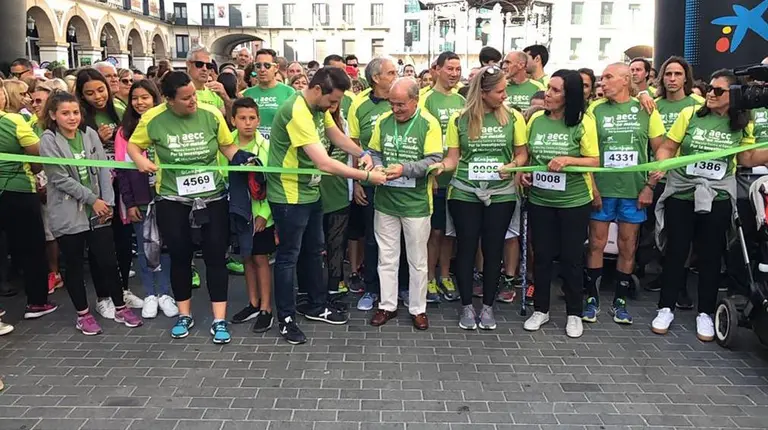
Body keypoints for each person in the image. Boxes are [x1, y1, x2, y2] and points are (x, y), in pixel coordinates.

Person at [266, 67, 386, 345]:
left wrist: (363, 153)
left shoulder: (318, 109)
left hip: (310, 191)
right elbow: (324, 161)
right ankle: (285, 318)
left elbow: (336, 137)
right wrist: (367, 176)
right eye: (332, 101)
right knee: (288, 257)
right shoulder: (297, 110)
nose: (334, 107)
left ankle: (316, 305)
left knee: (313, 250)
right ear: (318, 89)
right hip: (288, 195)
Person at [128, 71, 244, 344]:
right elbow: (134, 146)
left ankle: (219, 319)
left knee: (216, 257)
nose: (193, 101)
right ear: (168, 100)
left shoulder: (211, 114)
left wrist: (242, 158)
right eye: (185, 98)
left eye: (193, 95)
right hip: (173, 199)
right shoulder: (153, 118)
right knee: (180, 257)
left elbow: (227, 146)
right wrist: (140, 161)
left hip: (212, 197)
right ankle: (184, 315)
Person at [651, 69, 768, 341]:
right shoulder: (690, 114)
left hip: (718, 196)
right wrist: (661, 162)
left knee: (711, 255)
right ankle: (665, 307)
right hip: (682, 192)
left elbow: (747, 158)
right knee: (676, 251)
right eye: (710, 89)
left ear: (734, 96)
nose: (710, 95)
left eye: (718, 91)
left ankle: (705, 312)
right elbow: (668, 146)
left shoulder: (742, 123)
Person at [40, 91, 140, 335]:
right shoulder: (49, 139)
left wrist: (108, 202)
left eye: (75, 112)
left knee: (108, 259)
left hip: (98, 210)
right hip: (68, 211)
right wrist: (92, 199)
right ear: (53, 115)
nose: (72, 117)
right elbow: (59, 177)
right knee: (73, 264)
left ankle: (119, 306)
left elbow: (103, 170)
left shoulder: (90, 134)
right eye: (65, 113)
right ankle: (82, 314)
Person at [435, 65, 528, 329]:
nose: (504, 96)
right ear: (483, 93)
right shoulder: (459, 119)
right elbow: (453, 158)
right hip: (465, 191)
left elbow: (521, 154)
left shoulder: (513, 117)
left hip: (501, 193)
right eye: (499, 91)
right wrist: (439, 168)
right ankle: (466, 307)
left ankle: (488, 307)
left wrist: (512, 166)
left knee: (493, 248)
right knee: (465, 248)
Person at [519, 70, 599, 338]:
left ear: (569, 96)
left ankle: (574, 313)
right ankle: (540, 309)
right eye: (548, 89)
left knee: (571, 258)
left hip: (573, 201)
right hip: (540, 199)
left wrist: (568, 159)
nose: (547, 95)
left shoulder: (583, 122)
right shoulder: (536, 121)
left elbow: (595, 161)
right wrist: (524, 173)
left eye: (555, 91)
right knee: (541, 256)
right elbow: (527, 155)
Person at [584, 63, 665, 326]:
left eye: (608, 77)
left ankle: (620, 302)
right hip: (603, 189)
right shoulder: (595, 110)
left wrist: (650, 186)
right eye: (601, 77)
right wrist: (592, 188)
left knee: (627, 247)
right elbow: (587, 152)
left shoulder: (646, 108)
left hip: (634, 190)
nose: (602, 82)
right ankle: (592, 299)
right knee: (596, 244)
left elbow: (660, 150)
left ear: (625, 80)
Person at [367, 77, 442, 330]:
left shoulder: (428, 123)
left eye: (401, 105)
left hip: (416, 203)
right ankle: (387, 305)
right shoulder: (383, 121)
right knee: (387, 256)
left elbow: (434, 159)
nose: (396, 110)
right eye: (392, 104)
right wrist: (375, 165)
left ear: (415, 100)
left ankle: (418, 309)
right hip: (385, 201)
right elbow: (374, 151)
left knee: (418, 259)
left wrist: (405, 169)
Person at [76, 68, 144, 311]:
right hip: (96, 188)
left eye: (100, 89)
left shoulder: (119, 110)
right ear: (82, 96)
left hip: (122, 184)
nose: (97, 96)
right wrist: (97, 139)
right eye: (90, 93)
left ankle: (123, 289)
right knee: (100, 243)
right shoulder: (80, 118)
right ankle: (103, 296)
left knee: (123, 240)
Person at [640, 56, 704, 299]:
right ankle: (660, 275)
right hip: (656, 179)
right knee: (657, 232)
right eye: (668, 74)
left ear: (686, 77)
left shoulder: (699, 104)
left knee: (682, 237)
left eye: (678, 74)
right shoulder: (652, 104)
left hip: (687, 181)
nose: (673, 79)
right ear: (661, 78)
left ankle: (680, 285)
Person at [115, 79, 179, 319]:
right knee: (144, 247)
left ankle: (165, 292)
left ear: (156, 98)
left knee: (165, 246)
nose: (140, 102)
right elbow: (122, 170)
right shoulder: (124, 131)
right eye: (135, 98)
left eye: (145, 97)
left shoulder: (167, 123)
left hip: (167, 194)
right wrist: (129, 203)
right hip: (139, 198)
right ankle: (150, 293)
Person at [0, 80, 59, 326]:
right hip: (18, 190)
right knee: (32, 247)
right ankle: (37, 302)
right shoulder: (13, 121)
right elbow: (36, 150)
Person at [348, 57, 399, 311]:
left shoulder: (404, 98)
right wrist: (357, 181)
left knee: (399, 238)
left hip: (401, 180)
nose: (395, 76)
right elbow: (354, 145)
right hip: (370, 180)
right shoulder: (359, 105)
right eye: (391, 72)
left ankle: (401, 288)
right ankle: (370, 288)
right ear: (376, 78)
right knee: (372, 236)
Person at [224, 98, 276, 333]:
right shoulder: (226, 146)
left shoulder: (266, 147)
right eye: (242, 118)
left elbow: (272, 184)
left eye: (252, 118)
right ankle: (252, 303)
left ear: (259, 119)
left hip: (261, 214)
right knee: (246, 257)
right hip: (237, 212)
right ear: (233, 120)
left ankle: (266, 307)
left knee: (260, 258)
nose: (247, 123)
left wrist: (264, 214)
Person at [420, 51, 465, 303]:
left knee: (450, 232)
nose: (454, 73)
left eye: (458, 69)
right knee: (434, 232)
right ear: (436, 69)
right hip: (434, 178)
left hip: (458, 179)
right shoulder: (426, 100)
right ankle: (428, 277)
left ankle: (446, 275)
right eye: (449, 68)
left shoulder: (461, 100)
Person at [241, 49, 296, 141]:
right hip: (254, 148)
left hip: (279, 148)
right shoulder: (247, 94)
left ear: (276, 68)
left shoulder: (289, 92)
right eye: (258, 66)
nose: (262, 70)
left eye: (267, 66)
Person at [187, 46, 231, 115]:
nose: (204, 69)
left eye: (208, 66)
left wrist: (225, 97)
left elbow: (230, 121)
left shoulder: (214, 92)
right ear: (188, 64)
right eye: (199, 64)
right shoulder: (180, 92)